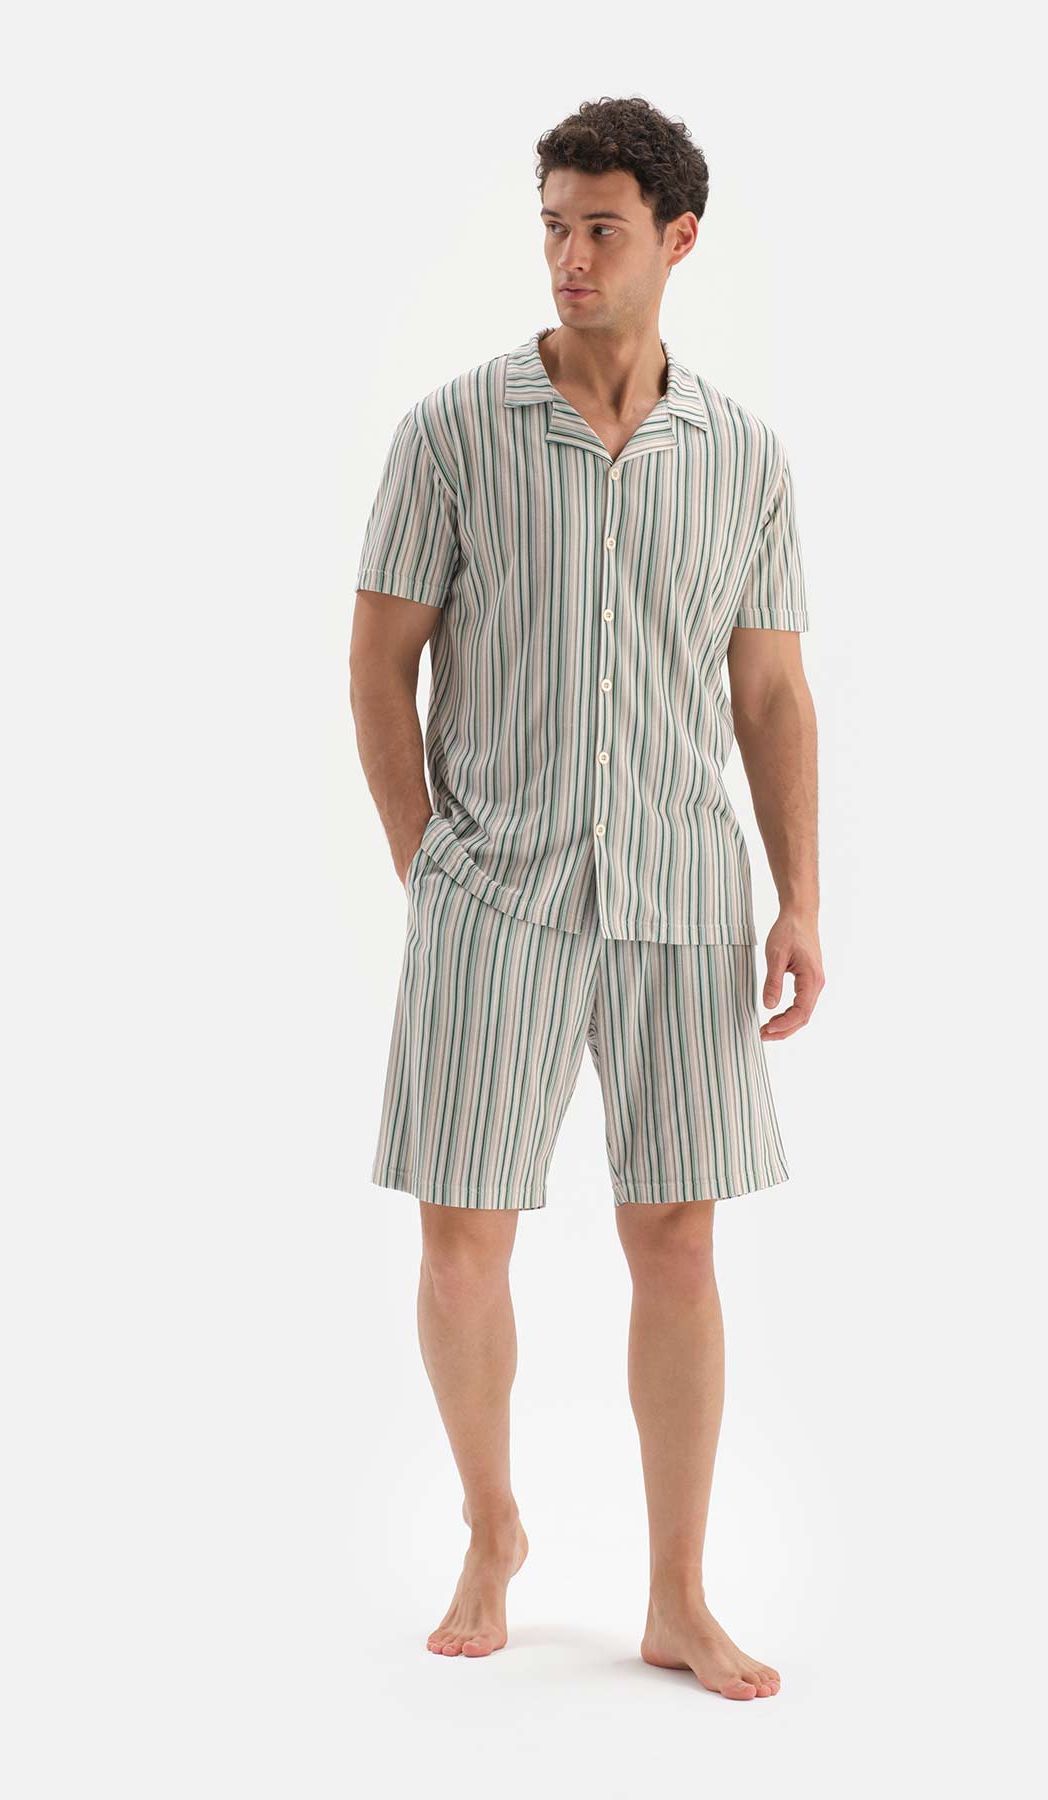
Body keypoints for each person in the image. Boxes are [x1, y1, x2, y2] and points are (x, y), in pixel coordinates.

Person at [349, 95, 822, 1702]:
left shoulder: (743, 456)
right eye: (553, 224)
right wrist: (431, 866)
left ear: (678, 238)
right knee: (461, 1234)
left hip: (684, 897)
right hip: (497, 890)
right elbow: (378, 663)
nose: (568, 254)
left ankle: (678, 1595)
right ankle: (492, 1528)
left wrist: (799, 898)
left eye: (601, 227)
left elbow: (771, 692)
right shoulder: (451, 432)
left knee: (677, 1242)